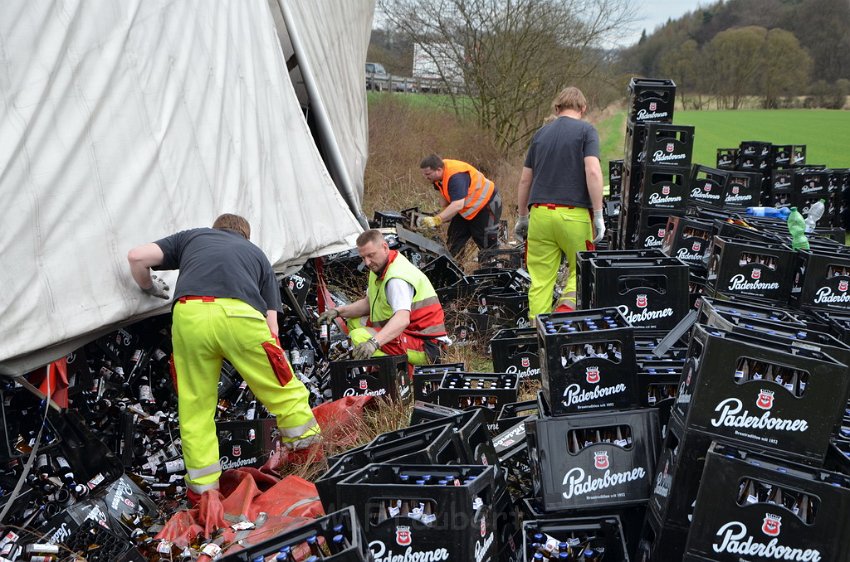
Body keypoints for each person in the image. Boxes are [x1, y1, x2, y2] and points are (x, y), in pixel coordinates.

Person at [127, 214, 320, 502]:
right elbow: (272, 327)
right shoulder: (256, 255)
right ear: (245, 236)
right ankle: (308, 456)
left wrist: (149, 287)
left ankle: (204, 493)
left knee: (195, 406)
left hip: (189, 315)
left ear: (215, 229)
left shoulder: (191, 238)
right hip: (240, 317)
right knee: (282, 387)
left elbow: (136, 256)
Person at [514, 87, 605, 319]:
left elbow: (525, 180)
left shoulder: (540, 134)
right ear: (583, 108)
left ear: (557, 108)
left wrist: (522, 216)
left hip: (540, 215)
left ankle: (539, 335)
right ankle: (565, 314)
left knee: (540, 280)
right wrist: (598, 214)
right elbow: (593, 172)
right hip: (573, 216)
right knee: (582, 270)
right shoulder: (587, 131)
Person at [317, 229, 447, 365]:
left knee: (358, 336)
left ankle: (396, 375)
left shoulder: (396, 279)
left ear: (385, 247)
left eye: (371, 255)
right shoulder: (380, 268)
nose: (367, 262)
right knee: (353, 322)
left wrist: (373, 343)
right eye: (363, 257)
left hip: (427, 346)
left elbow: (402, 319)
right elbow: (368, 303)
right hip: (410, 335)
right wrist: (338, 312)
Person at [417, 155, 503, 256]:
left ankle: (491, 269)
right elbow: (444, 199)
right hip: (466, 208)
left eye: (428, 174)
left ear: (439, 170)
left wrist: (437, 219)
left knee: (487, 245)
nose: (426, 177)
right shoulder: (438, 176)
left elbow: (457, 205)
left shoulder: (456, 177)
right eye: (424, 174)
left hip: (486, 205)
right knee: (454, 241)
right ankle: (456, 267)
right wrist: (444, 214)